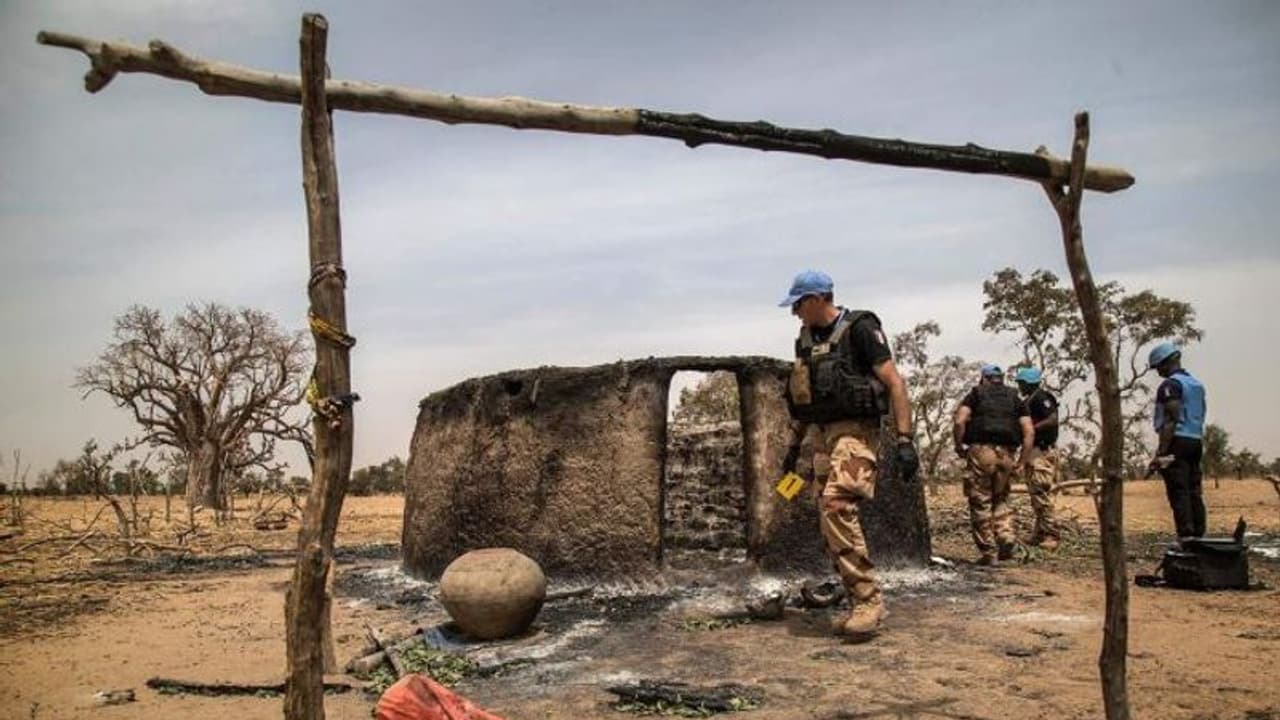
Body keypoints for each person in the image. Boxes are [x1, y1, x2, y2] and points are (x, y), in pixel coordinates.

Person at [778, 270, 917, 638]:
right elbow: (806, 403)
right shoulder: (805, 341)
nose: (794, 314)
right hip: (822, 438)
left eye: (797, 305)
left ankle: (868, 600)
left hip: (856, 434)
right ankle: (852, 593)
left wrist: (905, 440)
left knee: (837, 505)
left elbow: (894, 383)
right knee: (825, 516)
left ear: (815, 299)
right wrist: (793, 451)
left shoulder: (860, 328)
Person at [952, 364, 1034, 565]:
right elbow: (1029, 432)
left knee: (980, 500)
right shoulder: (1015, 397)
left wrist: (959, 447)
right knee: (1001, 497)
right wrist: (1022, 460)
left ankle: (989, 552)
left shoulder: (976, 394)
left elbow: (959, 421)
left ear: (984, 378)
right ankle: (1005, 537)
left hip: (981, 452)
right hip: (1007, 453)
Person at [1147, 342, 1207, 540]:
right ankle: (1199, 533)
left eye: (1159, 367)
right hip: (1195, 440)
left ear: (1166, 363)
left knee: (1178, 489)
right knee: (1193, 489)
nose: (1159, 373)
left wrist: (1162, 452)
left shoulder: (1170, 386)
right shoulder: (1196, 385)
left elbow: (1171, 418)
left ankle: (1186, 535)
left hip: (1177, 441)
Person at [1015, 366, 1061, 550]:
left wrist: (1032, 429)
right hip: (1033, 451)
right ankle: (1039, 533)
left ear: (1027, 383)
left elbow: (1052, 419)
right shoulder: (1029, 400)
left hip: (1041, 452)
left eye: (1020, 383)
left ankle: (1051, 535)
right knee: (1036, 494)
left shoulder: (1042, 398)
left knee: (1042, 494)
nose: (1019, 387)